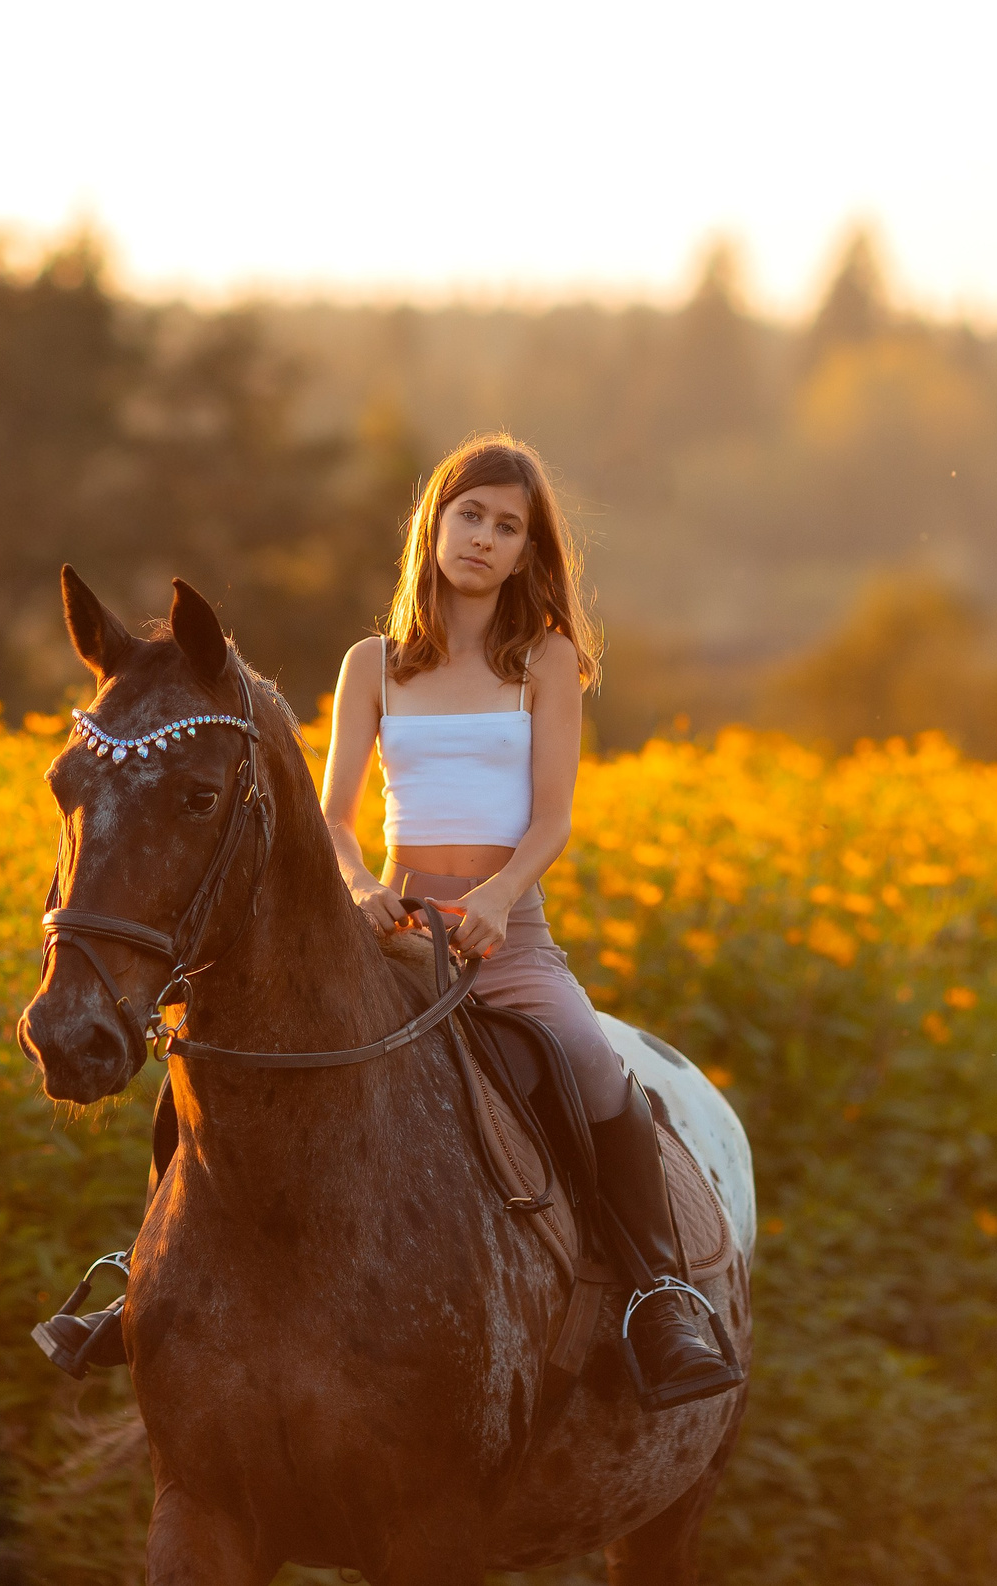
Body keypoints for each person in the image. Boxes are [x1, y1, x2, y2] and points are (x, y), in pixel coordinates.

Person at [320, 431, 741, 1410]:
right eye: (470, 513)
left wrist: (503, 896)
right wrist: (355, 890)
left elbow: (552, 817)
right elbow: (333, 817)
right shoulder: (370, 665)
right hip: (390, 935)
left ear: (524, 553)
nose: (483, 536)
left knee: (591, 1062)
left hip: (506, 939)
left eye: (507, 526)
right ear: (436, 523)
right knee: (247, 1026)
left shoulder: (544, 659)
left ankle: (658, 1294)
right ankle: (141, 1271)